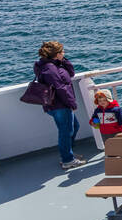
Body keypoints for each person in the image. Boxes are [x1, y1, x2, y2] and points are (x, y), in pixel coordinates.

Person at [35, 41, 85, 170]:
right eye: (62, 52)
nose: (64, 53)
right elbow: (60, 88)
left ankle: (68, 154)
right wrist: (71, 103)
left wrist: (63, 60)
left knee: (74, 126)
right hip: (59, 105)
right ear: (56, 54)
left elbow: (71, 73)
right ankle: (67, 160)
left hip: (58, 104)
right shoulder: (50, 69)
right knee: (66, 131)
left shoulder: (53, 64)